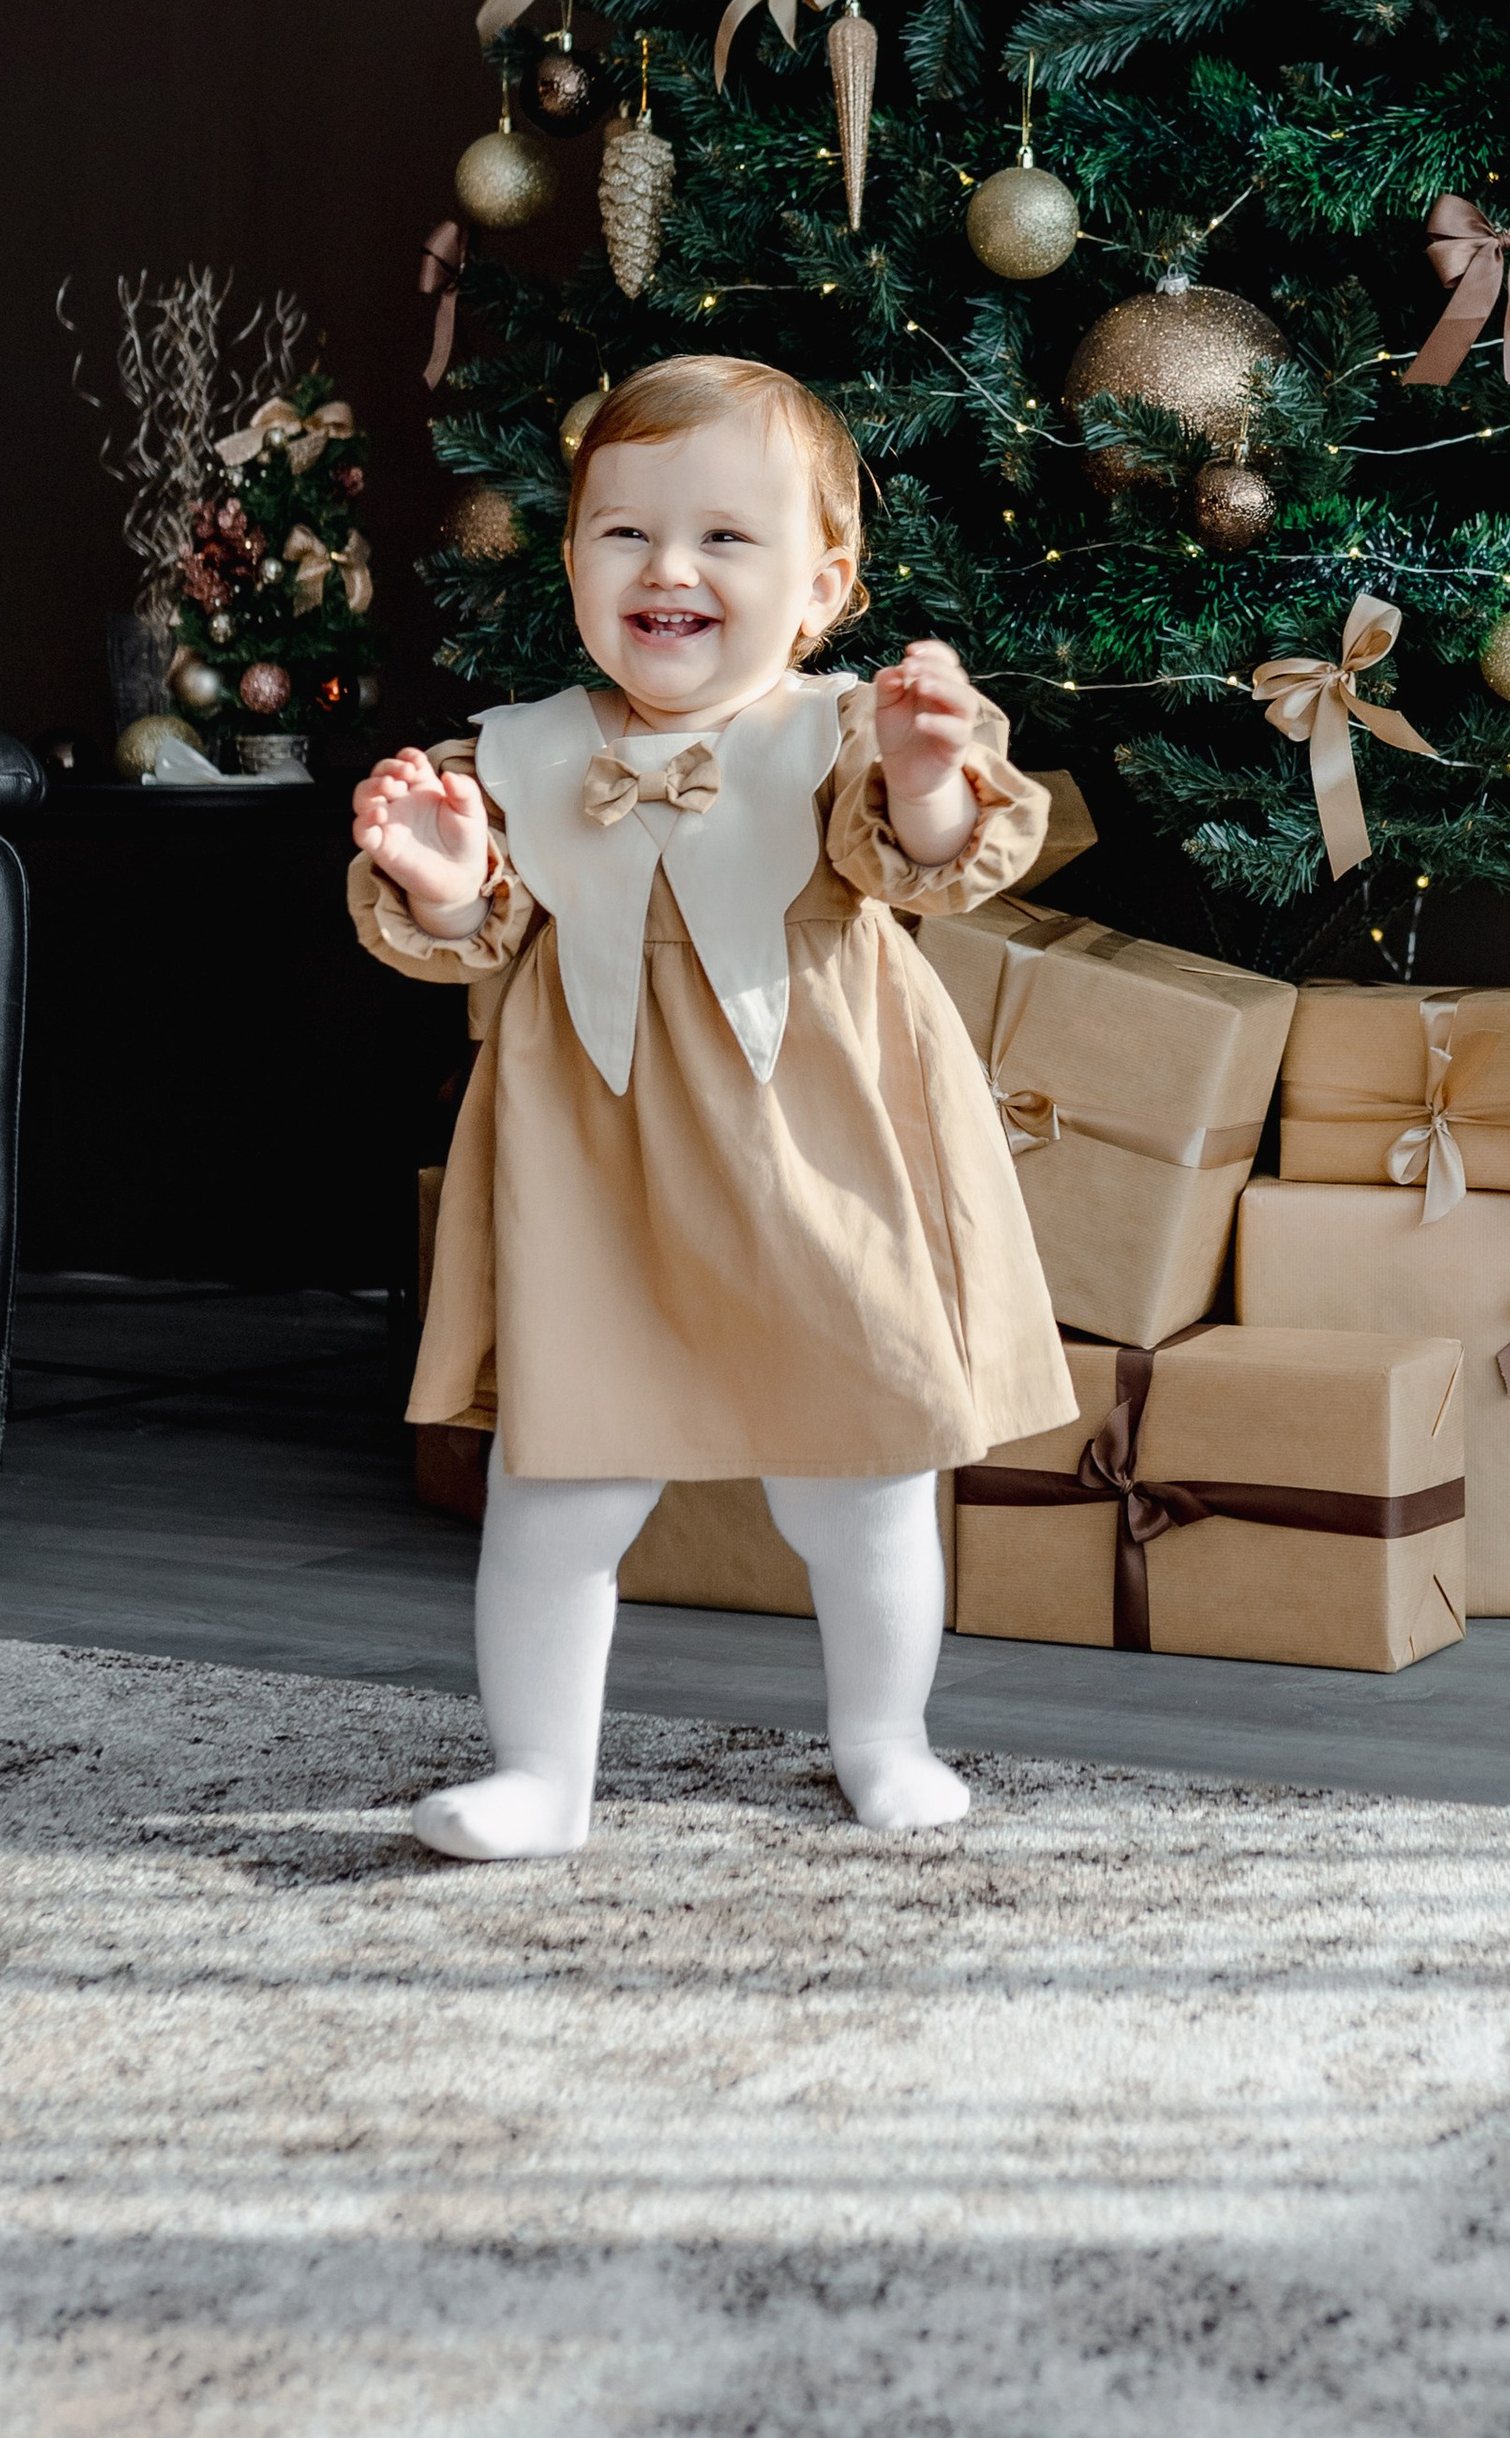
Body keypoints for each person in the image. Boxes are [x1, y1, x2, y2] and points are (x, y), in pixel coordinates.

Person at [350, 353, 1074, 1859]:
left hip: (817, 1146)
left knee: (862, 1478)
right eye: (624, 534)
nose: (668, 568)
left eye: (725, 539)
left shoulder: (835, 732)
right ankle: (541, 1777)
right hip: (599, 1168)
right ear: (571, 563)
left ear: (823, 587)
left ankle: (883, 1737)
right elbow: (476, 928)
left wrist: (935, 773)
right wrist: (440, 873)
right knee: (559, 1492)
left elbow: (922, 854)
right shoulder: (527, 749)